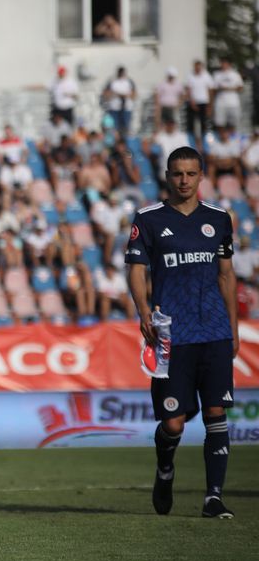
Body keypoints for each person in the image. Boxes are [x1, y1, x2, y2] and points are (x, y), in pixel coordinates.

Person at [125, 146, 237, 519]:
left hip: (214, 330)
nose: (184, 180)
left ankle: (213, 497)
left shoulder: (218, 219)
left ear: (201, 176)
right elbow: (136, 270)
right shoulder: (149, 219)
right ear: (168, 176)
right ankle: (165, 468)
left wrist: (233, 328)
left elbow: (226, 275)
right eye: (177, 174)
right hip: (172, 335)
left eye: (191, 174)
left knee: (216, 412)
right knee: (173, 422)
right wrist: (143, 310)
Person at [185, 60, 215, 148]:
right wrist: (191, 101)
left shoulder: (206, 76)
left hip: (203, 103)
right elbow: (188, 90)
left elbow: (210, 91)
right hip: (193, 103)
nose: (197, 68)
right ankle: (193, 143)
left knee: (203, 124)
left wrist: (210, 105)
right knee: (191, 125)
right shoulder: (190, 76)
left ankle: (203, 144)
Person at [212, 59, 244, 135]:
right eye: (222, 64)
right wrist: (220, 89)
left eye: (225, 64)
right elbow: (213, 88)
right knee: (220, 122)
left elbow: (241, 87)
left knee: (233, 122)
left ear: (229, 64)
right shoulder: (217, 75)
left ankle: (231, 137)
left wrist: (229, 89)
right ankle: (223, 137)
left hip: (233, 103)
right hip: (220, 102)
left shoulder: (235, 74)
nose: (223, 65)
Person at [102, 66, 135, 137]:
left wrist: (123, 95)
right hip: (115, 108)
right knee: (114, 127)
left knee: (126, 127)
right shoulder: (113, 82)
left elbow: (134, 94)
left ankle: (124, 140)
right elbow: (106, 94)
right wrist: (116, 94)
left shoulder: (129, 82)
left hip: (126, 108)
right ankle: (116, 140)